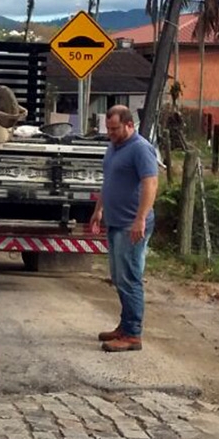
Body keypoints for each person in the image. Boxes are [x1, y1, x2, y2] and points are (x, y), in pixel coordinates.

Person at [90, 105, 159, 352]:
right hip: (115, 221)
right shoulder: (114, 147)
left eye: (115, 128)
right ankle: (124, 325)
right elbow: (110, 181)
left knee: (129, 278)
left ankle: (132, 334)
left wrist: (140, 219)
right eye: (108, 128)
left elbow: (150, 183)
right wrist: (99, 209)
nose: (110, 133)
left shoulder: (140, 149)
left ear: (130, 124)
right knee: (119, 277)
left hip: (132, 224)